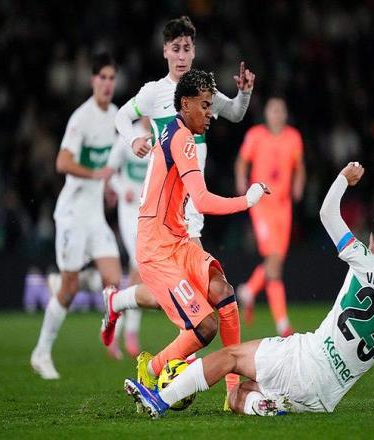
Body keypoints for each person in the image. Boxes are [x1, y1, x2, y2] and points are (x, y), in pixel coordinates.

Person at [123, 162, 374, 418]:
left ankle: (159, 400)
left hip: (305, 359)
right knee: (239, 394)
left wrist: (344, 178)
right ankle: (261, 406)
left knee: (230, 357)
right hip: (324, 399)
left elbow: (327, 213)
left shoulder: (364, 260)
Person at [101, 69, 269, 406]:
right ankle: (152, 369)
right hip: (157, 249)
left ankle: (232, 391)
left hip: (176, 239)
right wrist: (248, 200)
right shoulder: (182, 139)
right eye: (205, 106)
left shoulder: (174, 131)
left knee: (223, 292)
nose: (210, 114)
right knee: (205, 326)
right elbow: (202, 200)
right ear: (186, 103)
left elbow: (234, 112)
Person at [30, 53, 122, 379]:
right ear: (93, 80)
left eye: (112, 78)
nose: (107, 84)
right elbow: (62, 162)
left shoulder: (115, 115)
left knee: (113, 280)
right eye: (102, 78)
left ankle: (70, 281)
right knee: (69, 291)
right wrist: (96, 175)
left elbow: (109, 164)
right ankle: (41, 353)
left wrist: (108, 186)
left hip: (95, 216)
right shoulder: (81, 118)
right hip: (72, 214)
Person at [235, 97, 305, 336]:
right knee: (274, 260)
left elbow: (299, 165)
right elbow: (242, 161)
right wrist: (241, 180)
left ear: (285, 114)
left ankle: (249, 291)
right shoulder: (256, 135)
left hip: (283, 206)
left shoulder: (293, 137)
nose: (277, 115)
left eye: (280, 110)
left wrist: (298, 183)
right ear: (266, 114)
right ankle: (282, 323)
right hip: (262, 205)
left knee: (275, 265)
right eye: (273, 110)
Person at [100, 116, 152, 357]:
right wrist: (123, 189)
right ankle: (127, 331)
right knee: (140, 265)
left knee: (141, 272)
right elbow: (109, 172)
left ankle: (117, 326)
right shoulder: (128, 136)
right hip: (129, 210)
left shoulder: (162, 133)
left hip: (150, 210)